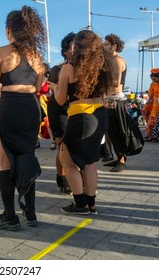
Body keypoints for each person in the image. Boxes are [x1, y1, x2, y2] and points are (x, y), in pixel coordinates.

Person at [0, 6, 45, 230]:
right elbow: (39, 86)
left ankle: (9, 215)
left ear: (8, 29)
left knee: (3, 162)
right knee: (27, 156)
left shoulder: (1, 52)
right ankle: (30, 213)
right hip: (31, 108)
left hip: (10, 106)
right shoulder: (36, 55)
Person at [55, 29, 114, 215]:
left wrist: (56, 88)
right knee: (89, 163)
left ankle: (80, 204)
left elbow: (60, 100)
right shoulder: (102, 68)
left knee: (67, 161)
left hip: (80, 118)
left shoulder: (68, 68)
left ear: (76, 47)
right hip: (99, 116)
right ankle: (91, 204)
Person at [47, 32, 75, 195]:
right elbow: (55, 93)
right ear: (65, 50)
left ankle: (76, 179)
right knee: (63, 147)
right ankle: (61, 177)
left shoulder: (84, 69)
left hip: (77, 111)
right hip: (60, 110)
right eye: (73, 46)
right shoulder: (57, 69)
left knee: (76, 147)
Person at [102, 33, 128, 172]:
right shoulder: (110, 61)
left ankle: (122, 160)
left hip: (115, 99)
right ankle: (117, 158)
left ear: (114, 45)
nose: (103, 46)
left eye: (106, 44)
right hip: (109, 98)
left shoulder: (118, 61)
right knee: (110, 130)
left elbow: (116, 83)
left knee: (118, 129)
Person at [142, 69, 159, 141]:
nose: (153, 80)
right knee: (151, 118)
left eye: (154, 78)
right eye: (152, 79)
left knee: (155, 119)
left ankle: (153, 135)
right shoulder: (152, 84)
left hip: (157, 103)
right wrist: (148, 102)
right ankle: (150, 135)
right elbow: (151, 95)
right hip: (154, 103)